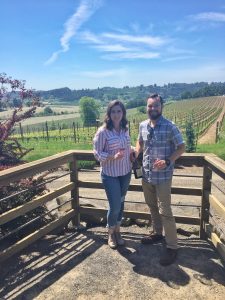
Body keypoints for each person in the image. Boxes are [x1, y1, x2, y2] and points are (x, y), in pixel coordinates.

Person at [135, 93, 185, 266]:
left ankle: (172, 246)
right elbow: (140, 142)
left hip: (163, 176)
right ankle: (157, 233)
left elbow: (181, 147)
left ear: (161, 107)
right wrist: (136, 152)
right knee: (152, 206)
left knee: (165, 211)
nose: (152, 109)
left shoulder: (171, 126)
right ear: (147, 107)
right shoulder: (142, 125)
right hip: (146, 174)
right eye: (150, 106)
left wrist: (168, 161)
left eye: (156, 105)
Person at [93, 100, 133, 249]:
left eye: (119, 111)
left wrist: (133, 151)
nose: (116, 115)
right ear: (109, 114)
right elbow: (96, 153)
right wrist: (111, 157)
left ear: (123, 113)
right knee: (115, 205)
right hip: (110, 174)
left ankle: (118, 231)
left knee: (121, 202)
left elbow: (127, 146)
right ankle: (110, 232)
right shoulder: (103, 131)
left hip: (125, 172)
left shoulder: (125, 129)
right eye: (113, 111)